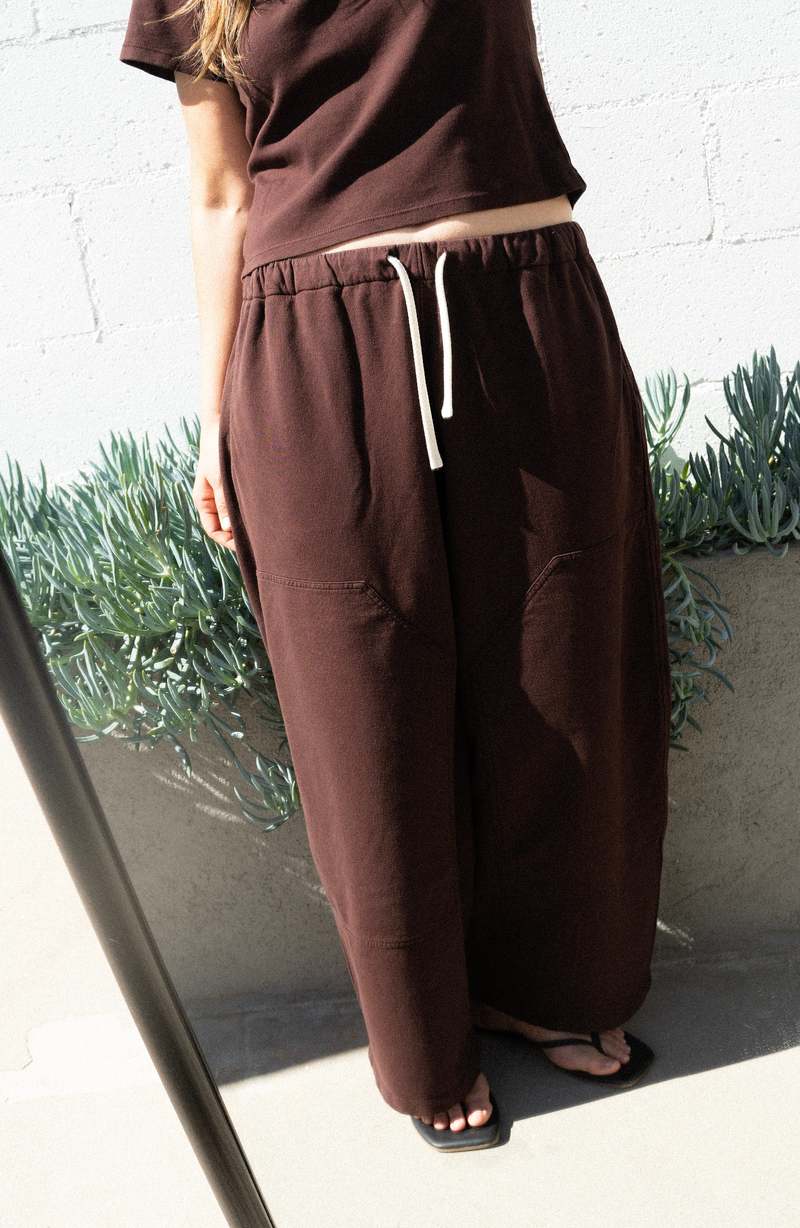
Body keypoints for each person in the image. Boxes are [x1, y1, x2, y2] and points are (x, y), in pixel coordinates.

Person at [119, 0, 672, 1153]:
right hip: (311, 344)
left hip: (523, 302)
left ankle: (550, 987)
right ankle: (427, 1044)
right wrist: (215, 419)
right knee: (360, 709)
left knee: (565, 672)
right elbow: (220, 195)